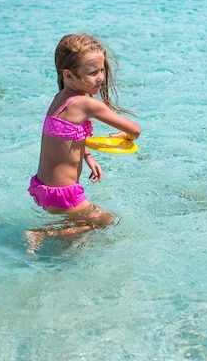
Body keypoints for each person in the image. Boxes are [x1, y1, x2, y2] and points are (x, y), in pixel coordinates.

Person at [24, 33, 141, 254]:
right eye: (93, 72)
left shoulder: (60, 99)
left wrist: (87, 156)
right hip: (63, 193)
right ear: (68, 75)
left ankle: (58, 255)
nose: (100, 77)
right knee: (108, 221)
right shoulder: (86, 104)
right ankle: (42, 233)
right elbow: (134, 130)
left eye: (102, 70)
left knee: (78, 234)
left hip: (43, 187)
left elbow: (65, 136)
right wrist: (125, 138)